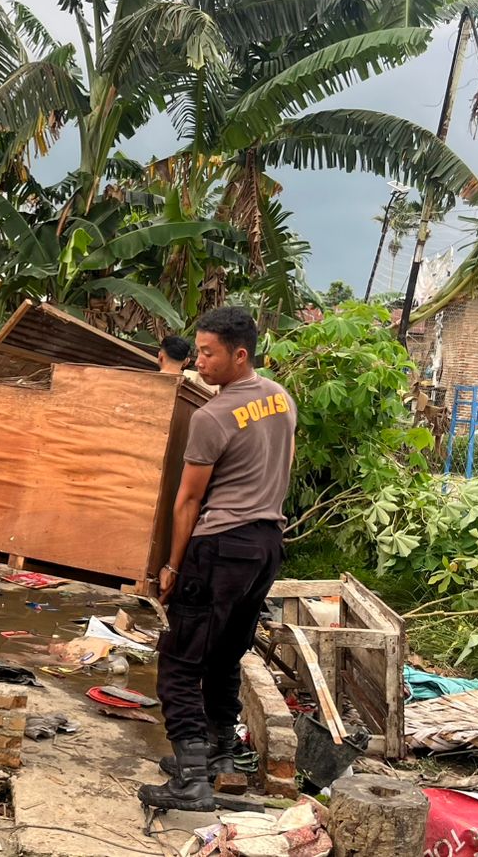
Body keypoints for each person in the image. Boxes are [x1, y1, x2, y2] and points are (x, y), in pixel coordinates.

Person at [139, 306, 297, 813]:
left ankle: (191, 781)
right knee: (226, 655)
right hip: (265, 545)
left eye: (208, 354)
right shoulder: (280, 398)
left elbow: (188, 500)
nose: (198, 362)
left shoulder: (211, 417)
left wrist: (172, 566)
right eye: (198, 351)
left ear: (239, 355)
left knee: (179, 662)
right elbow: (282, 467)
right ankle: (218, 754)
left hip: (221, 546)